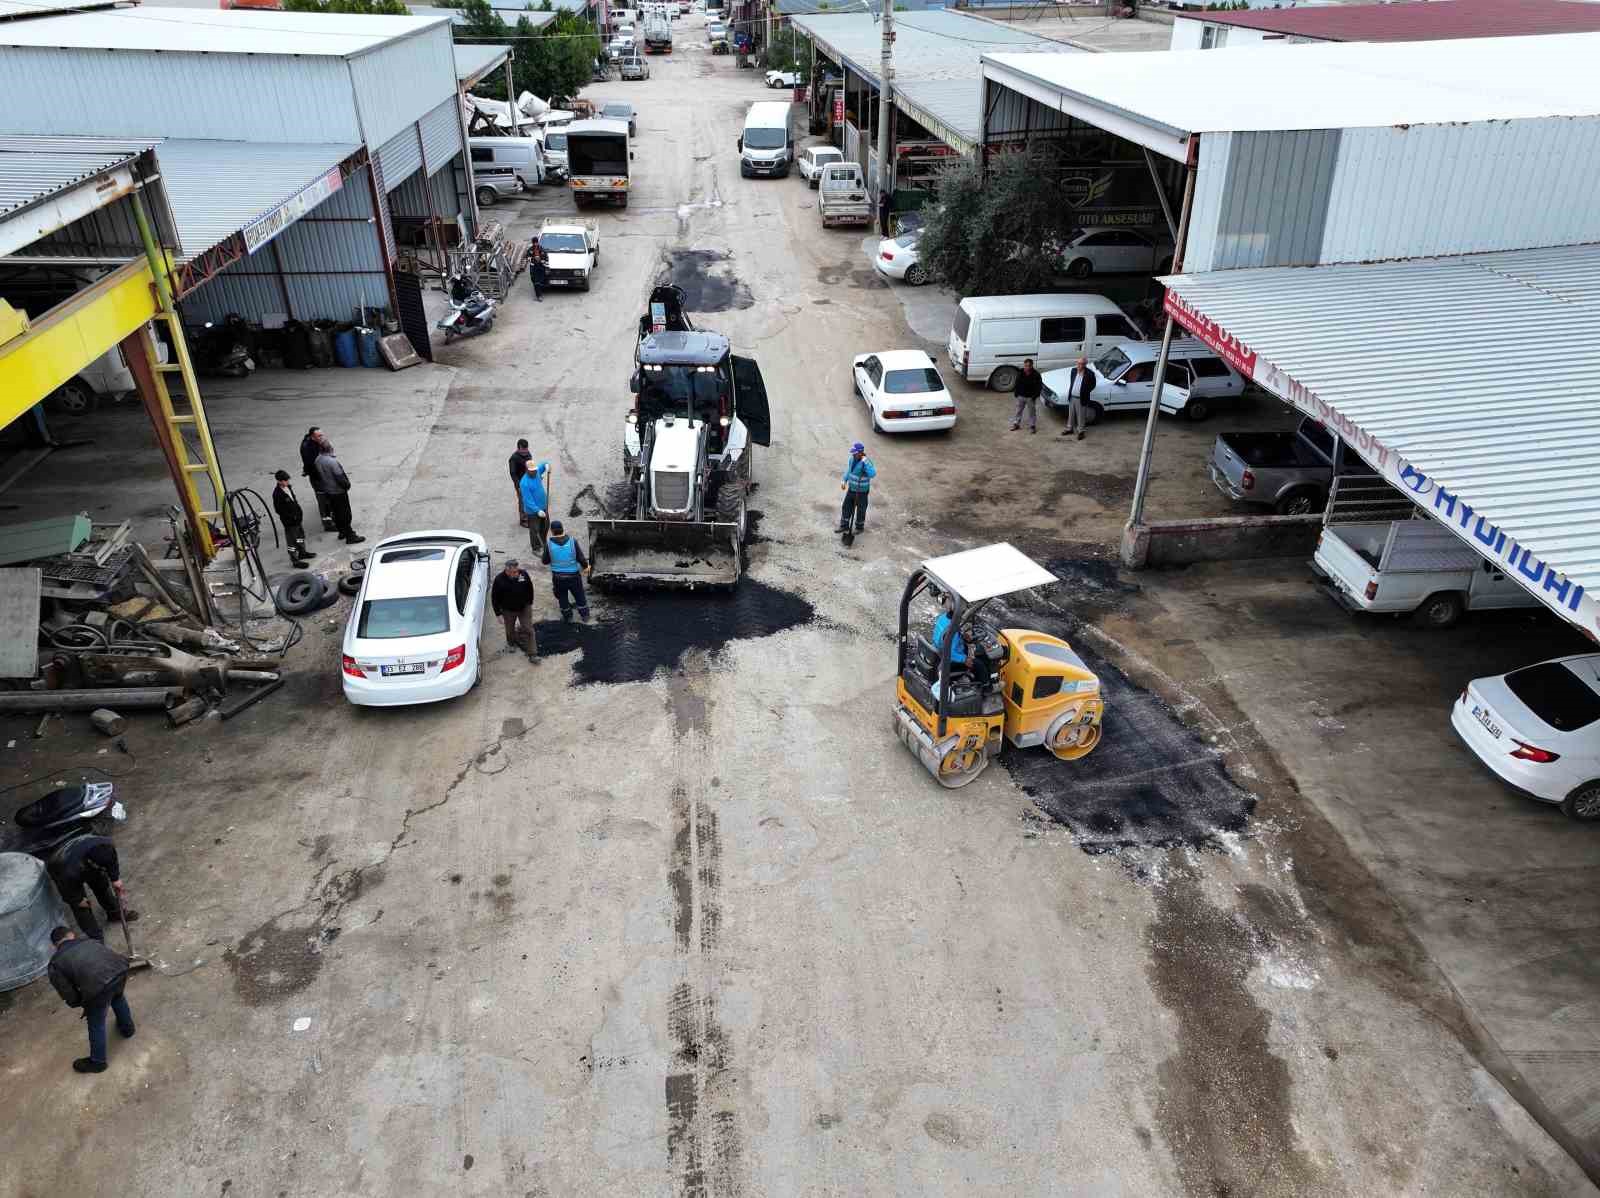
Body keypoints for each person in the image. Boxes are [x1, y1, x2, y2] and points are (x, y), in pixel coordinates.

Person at [47, 926, 135, 1074]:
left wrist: (82, 1003)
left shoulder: (55, 963)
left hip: (98, 987)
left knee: (96, 1021)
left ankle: (98, 1062)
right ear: (71, 935)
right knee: (117, 997)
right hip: (120, 970)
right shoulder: (90, 941)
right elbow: (108, 956)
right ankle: (128, 1029)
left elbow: (68, 993)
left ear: (55, 945)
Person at [47, 834, 136, 943]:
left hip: (82, 857)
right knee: (82, 907)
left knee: (102, 885)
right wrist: (77, 899)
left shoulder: (106, 846)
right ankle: (96, 938)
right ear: (90, 862)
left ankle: (115, 913)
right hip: (62, 866)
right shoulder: (68, 871)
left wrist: (115, 878)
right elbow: (66, 890)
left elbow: (111, 862)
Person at [312, 439, 365, 545]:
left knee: (335, 512)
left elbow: (317, 476)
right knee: (345, 514)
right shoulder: (332, 462)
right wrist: (347, 486)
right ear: (330, 449)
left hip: (328, 491)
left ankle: (342, 531)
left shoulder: (317, 460)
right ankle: (350, 535)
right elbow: (340, 478)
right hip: (338, 491)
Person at [542, 520, 591, 622]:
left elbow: (545, 561)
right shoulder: (573, 541)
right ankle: (585, 616)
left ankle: (568, 616)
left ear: (552, 531)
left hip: (558, 578)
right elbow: (581, 558)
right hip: (573, 576)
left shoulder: (549, 544)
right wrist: (586, 567)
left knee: (562, 597)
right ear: (562, 529)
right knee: (579, 595)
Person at [491, 558, 538, 661]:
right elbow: (494, 598)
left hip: (524, 607)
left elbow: (530, 587)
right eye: (514, 572)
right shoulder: (499, 580)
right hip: (508, 610)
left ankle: (533, 654)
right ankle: (511, 643)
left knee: (528, 629)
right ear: (507, 570)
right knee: (510, 630)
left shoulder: (523, 574)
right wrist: (498, 614)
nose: (517, 574)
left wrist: (529, 602)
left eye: (517, 571)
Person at [299, 426, 335, 533]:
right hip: (318, 478)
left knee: (328, 498)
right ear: (312, 436)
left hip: (322, 475)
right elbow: (312, 466)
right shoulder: (308, 448)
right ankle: (327, 524)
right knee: (323, 500)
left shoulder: (315, 442)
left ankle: (331, 517)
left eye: (322, 435)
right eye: (319, 436)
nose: (322, 437)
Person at [271, 470, 310, 567]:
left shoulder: (288, 488)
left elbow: (293, 501)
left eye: (287, 480)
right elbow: (279, 510)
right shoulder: (277, 494)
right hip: (290, 522)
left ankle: (302, 552)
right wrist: (291, 517)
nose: (287, 482)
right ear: (279, 481)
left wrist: (298, 514)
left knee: (300, 536)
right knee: (292, 541)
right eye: (285, 481)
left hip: (297, 519)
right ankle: (295, 560)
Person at [838, 442, 875, 535]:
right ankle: (844, 525)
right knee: (846, 506)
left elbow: (872, 474)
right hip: (852, 489)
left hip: (862, 491)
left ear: (860, 452)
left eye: (855, 453)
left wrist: (865, 463)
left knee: (861, 509)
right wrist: (844, 480)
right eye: (853, 453)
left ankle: (859, 527)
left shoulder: (866, 462)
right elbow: (849, 471)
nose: (853, 454)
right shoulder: (852, 459)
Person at [1059, 357, 1095, 440]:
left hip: (1081, 398)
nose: (1080, 365)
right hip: (1072, 397)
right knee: (1070, 414)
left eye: (1082, 364)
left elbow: (1093, 385)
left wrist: (1085, 391)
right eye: (1078, 363)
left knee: (1081, 416)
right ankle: (1069, 429)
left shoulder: (1090, 373)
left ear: (1085, 365)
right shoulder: (1073, 371)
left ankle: (1081, 431)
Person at [520, 459, 552, 551]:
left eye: (534, 470)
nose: (534, 472)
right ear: (527, 470)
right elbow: (528, 500)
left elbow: (545, 463)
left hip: (543, 506)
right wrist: (537, 510)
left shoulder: (536, 472)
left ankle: (543, 541)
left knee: (545, 525)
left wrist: (547, 466)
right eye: (531, 471)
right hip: (533, 511)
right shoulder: (524, 483)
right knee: (535, 530)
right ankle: (536, 547)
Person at [1010, 359, 1043, 434]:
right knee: (1018, 410)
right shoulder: (1020, 372)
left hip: (1030, 397)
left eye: (1028, 366)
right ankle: (1016, 424)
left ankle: (1032, 426)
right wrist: (1016, 393)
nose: (1027, 367)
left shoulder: (1036, 374)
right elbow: (1017, 382)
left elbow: (1039, 386)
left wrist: (1034, 396)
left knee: (1032, 412)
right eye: (1025, 366)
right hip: (1021, 396)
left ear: (1032, 366)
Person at [508, 438, 533, 528]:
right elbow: (513, 473)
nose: (526, 451)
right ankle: (523, 520)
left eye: (526, 449)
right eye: (524, 449)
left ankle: (530, 516)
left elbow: (531, 465)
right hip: (520, 483)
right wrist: (518, 485)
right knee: (522, 501)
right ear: (519, 448)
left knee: (529, 499)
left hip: (529, 481)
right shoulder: (514, 458)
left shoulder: (528, 454)